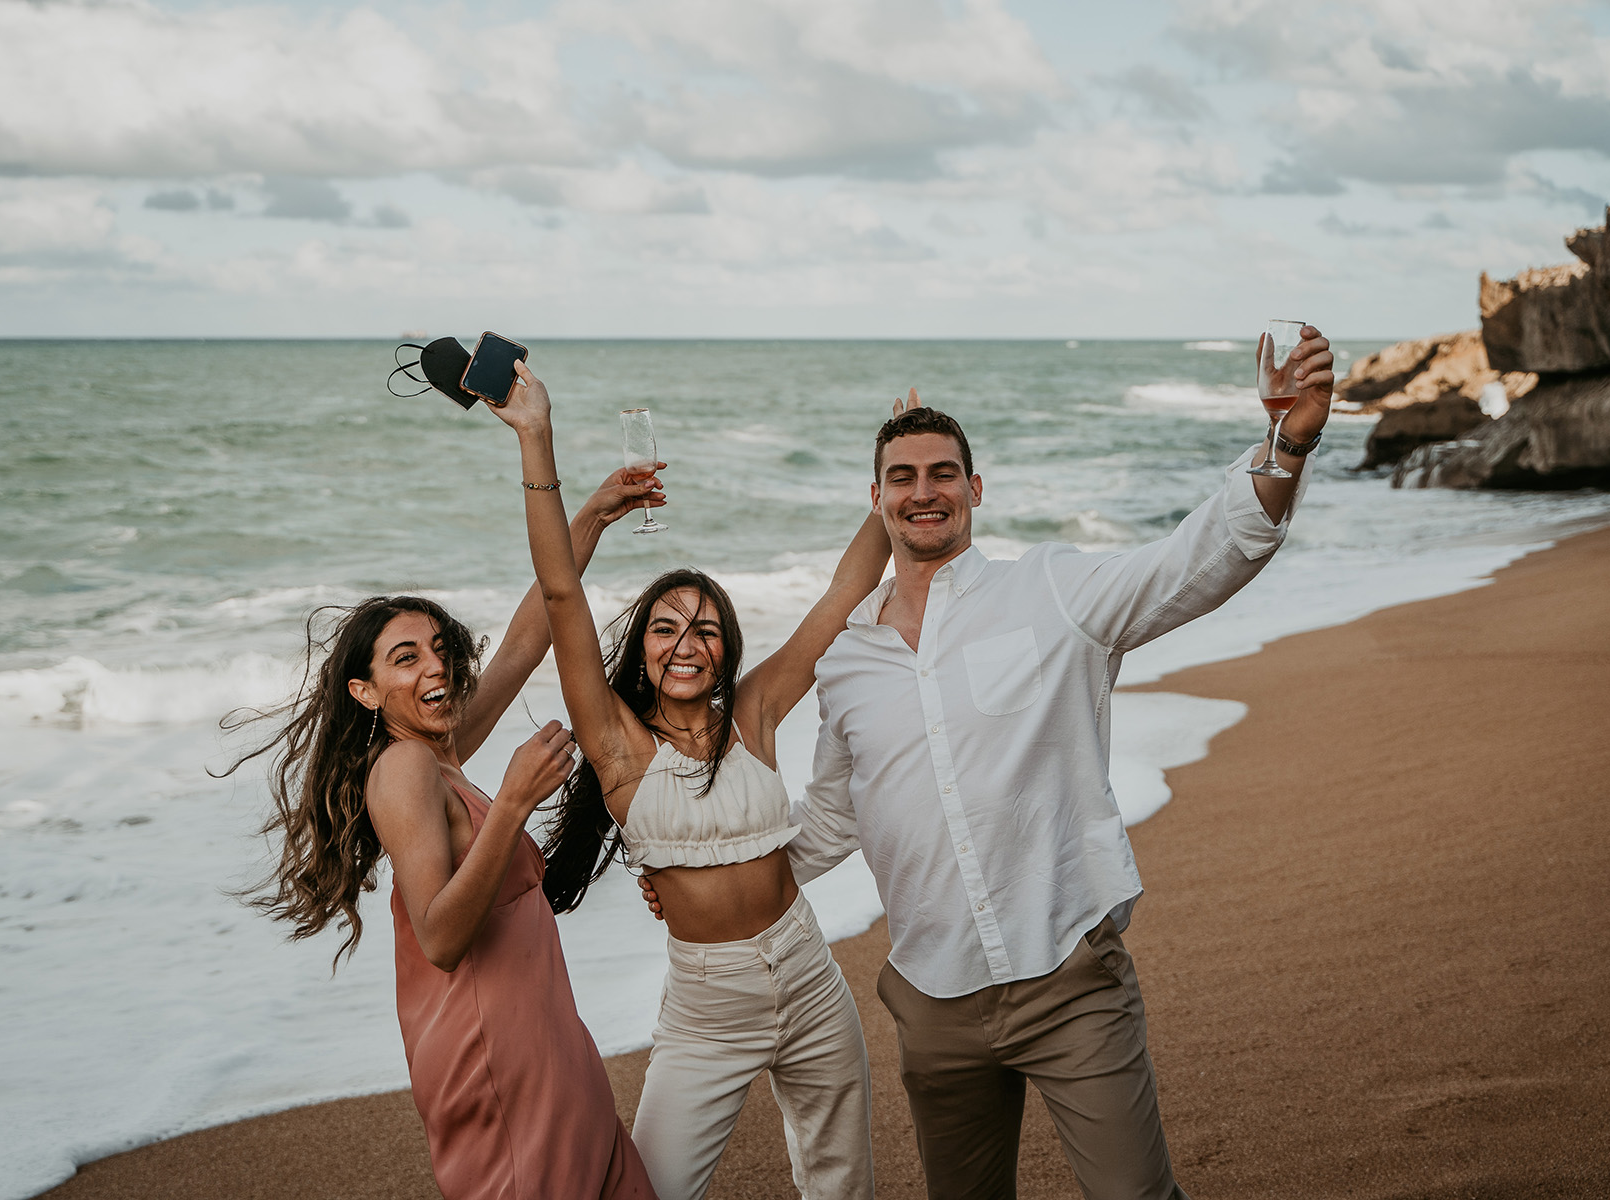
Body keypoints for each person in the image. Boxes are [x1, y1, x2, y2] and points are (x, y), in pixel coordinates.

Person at [648, 328, 1337, 1198]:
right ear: (876, 499)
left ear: (974, 489)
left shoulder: (1050, 591)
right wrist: (707, 870)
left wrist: (1288, 443)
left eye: (942, 475)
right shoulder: (848, 662)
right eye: (903, 478)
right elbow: (834, 813)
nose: (923, 492)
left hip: (1070, 979)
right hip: (934, 1007)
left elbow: (1199, 559)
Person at [488, 362, 895, 1200]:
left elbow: (841, 597)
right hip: (707, 1010)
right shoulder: (617, 747)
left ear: (726, 649)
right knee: (656, 1188)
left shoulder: (755, 714)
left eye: (705, 630)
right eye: (666, 628)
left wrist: (893, 480)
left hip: (811, 975)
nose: (685, 643)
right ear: (641, 648)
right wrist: (539, 442)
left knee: (842, 1185)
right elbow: (563, 594)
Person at [228, 471, 663, 1200]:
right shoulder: (402, 768)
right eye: (405, 659)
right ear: (365, 693)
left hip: (547, 1045)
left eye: (438, 647)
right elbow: (439, 936)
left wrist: (591, 516)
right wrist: (518, 801)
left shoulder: (442, 753)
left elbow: (529, 639)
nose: (435, 665)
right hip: (495, 1062)